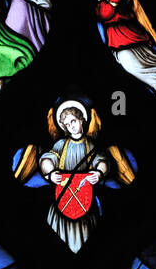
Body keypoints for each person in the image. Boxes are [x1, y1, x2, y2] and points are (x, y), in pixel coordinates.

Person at [38, 100, 109, 253]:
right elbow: (47, 159)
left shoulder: (90, 145)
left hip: (85, 202)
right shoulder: (61, 144)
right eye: (67, 125)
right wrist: (50, 174)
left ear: (81, 119)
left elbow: (102, 161)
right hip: (62, 202)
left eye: (73, 121)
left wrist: (98, 173)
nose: (72, 126)